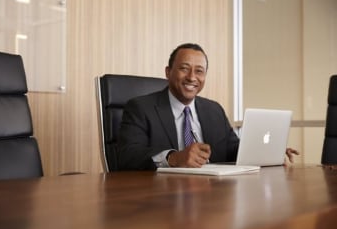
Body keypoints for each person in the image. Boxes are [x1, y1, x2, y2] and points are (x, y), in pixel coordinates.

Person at [117, 43, 298, 170]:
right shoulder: (140, 108)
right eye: (184, 68)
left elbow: (233, 150)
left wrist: (267, 152)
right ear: (168, 72)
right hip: (162, 199)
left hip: (209, 196)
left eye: (199, 71)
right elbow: (127, 156)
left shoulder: (214, 110)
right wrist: (174, 158)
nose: (191, 77)